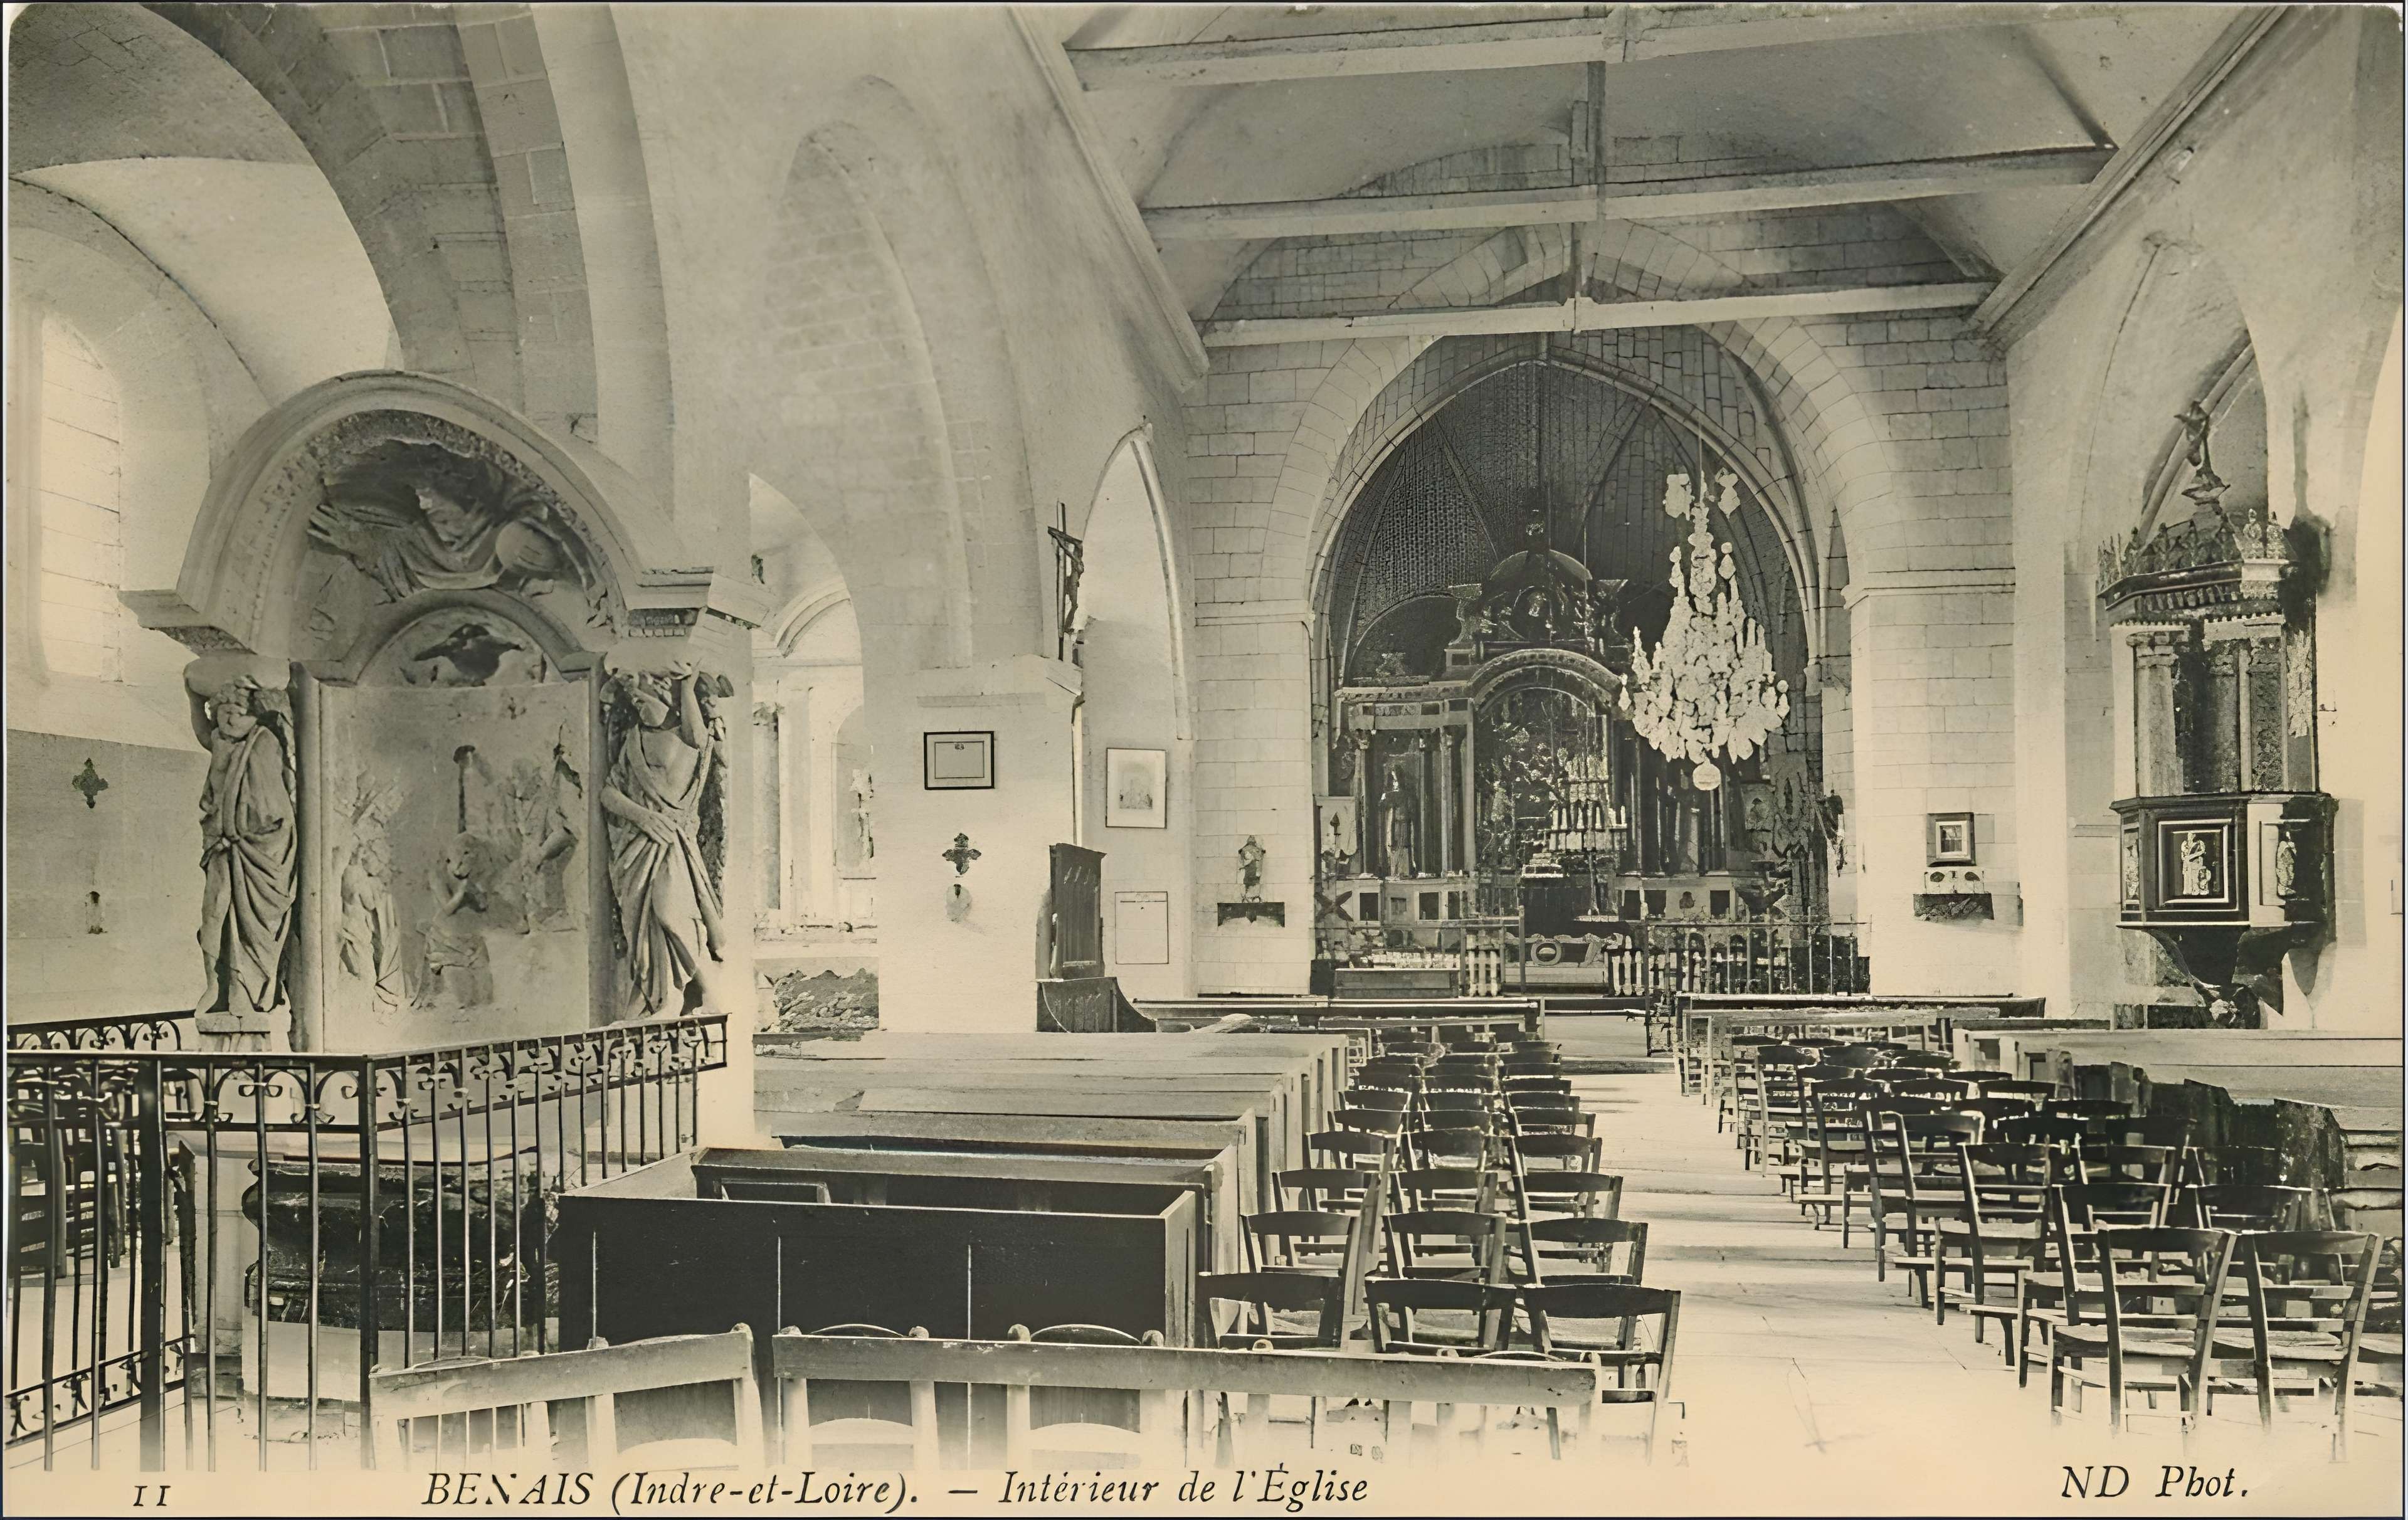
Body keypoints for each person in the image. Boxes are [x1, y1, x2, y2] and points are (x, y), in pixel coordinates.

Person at [601, 663, 726, 1015]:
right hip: (637, 846)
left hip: (672, 841)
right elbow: (609, 794)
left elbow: (700, 738)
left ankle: (702, 986)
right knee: (642, 927)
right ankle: (656, 1001)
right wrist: (643, 817)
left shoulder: (689, 738)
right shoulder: (633, 741)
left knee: (670, 913)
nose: (639, 707)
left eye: (644, 700)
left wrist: (687, 688)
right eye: (635, 703)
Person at [194, 677, 297, 1020]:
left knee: (251, 924)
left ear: (253, 714)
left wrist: (243, 833)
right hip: (224, 849)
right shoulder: (222, 741)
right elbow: (201, 732)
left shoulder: (263, 743)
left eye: (237, 710)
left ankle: (247, 993)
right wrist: (190, 695)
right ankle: (215, 985)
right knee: (214, 915)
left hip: (259, 852)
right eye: (222, 711)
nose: (229, 718)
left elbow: (273, 811)